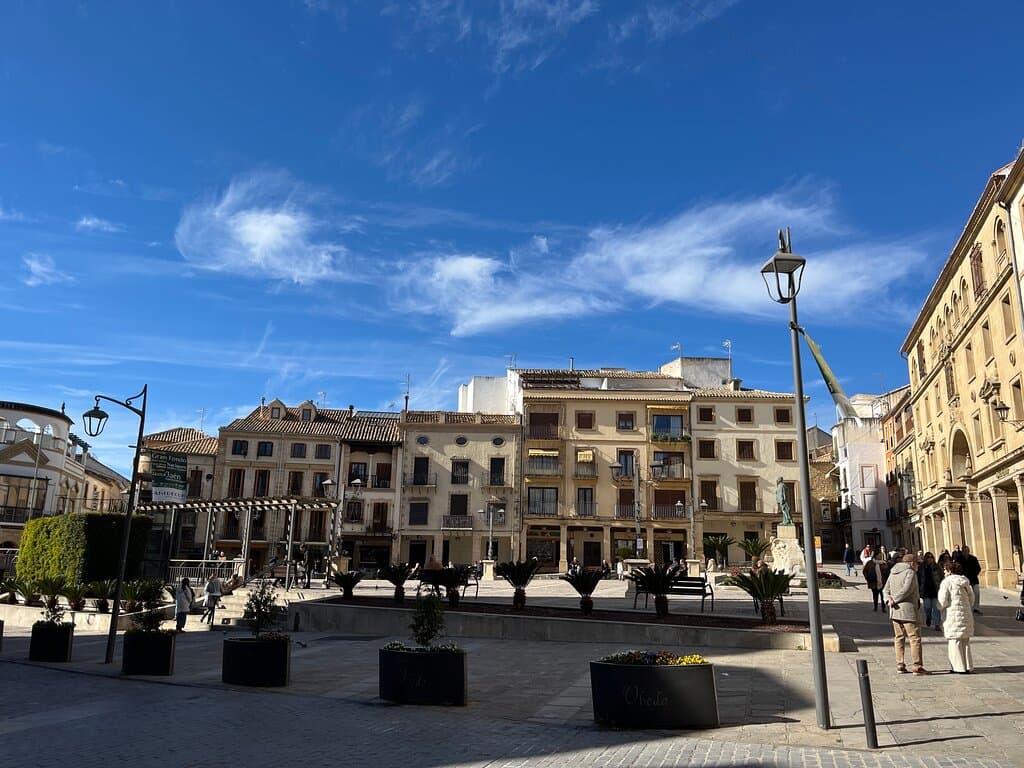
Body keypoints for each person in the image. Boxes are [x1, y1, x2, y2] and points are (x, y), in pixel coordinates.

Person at [882, 554, 930, 675]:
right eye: (917, 563)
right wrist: (895, 599)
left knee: (899, 638)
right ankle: (917, 665)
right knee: (914, 638)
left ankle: (900, 664)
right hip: (908, 611)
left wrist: (888, 600)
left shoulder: (893, 572)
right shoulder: (910, 573)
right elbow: (907, 590)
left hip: (894, 611)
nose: (918, 565)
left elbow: (885, 589)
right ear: (912, 563)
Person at [937, 561, 975, 673]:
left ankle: (958, 667)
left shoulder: (946, 582)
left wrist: (939, 607)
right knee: (965, 641)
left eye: (945, 569)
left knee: (954, 641)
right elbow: (972, 599)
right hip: (965, 614)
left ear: (949, 570)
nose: (944, 572)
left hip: (952, 615)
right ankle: (968, 666)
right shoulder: (965, 582)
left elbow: (942, 600)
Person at [917, 552, 942, 630]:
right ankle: (928, 616)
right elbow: (918, 579)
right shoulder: (921, 568)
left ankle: (937, 624)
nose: (929, 559)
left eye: (931, 557)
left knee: (936, 608)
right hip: (925, 590)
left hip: (935, 590)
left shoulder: (937, 567)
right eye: (928, 557)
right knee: (927, 607)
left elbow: (941, 577)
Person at [958, 545, 982, 614]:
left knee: (976, 593)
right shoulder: (959, 559)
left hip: (973, 578)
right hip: (963, 579)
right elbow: (956, 568)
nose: (966, 552)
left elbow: (978, 568)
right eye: (964, 551)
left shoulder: (973, 558)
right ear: (962, 552)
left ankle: (976, 608)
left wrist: (975, 574)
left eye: (967, 551)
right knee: (964, 594)